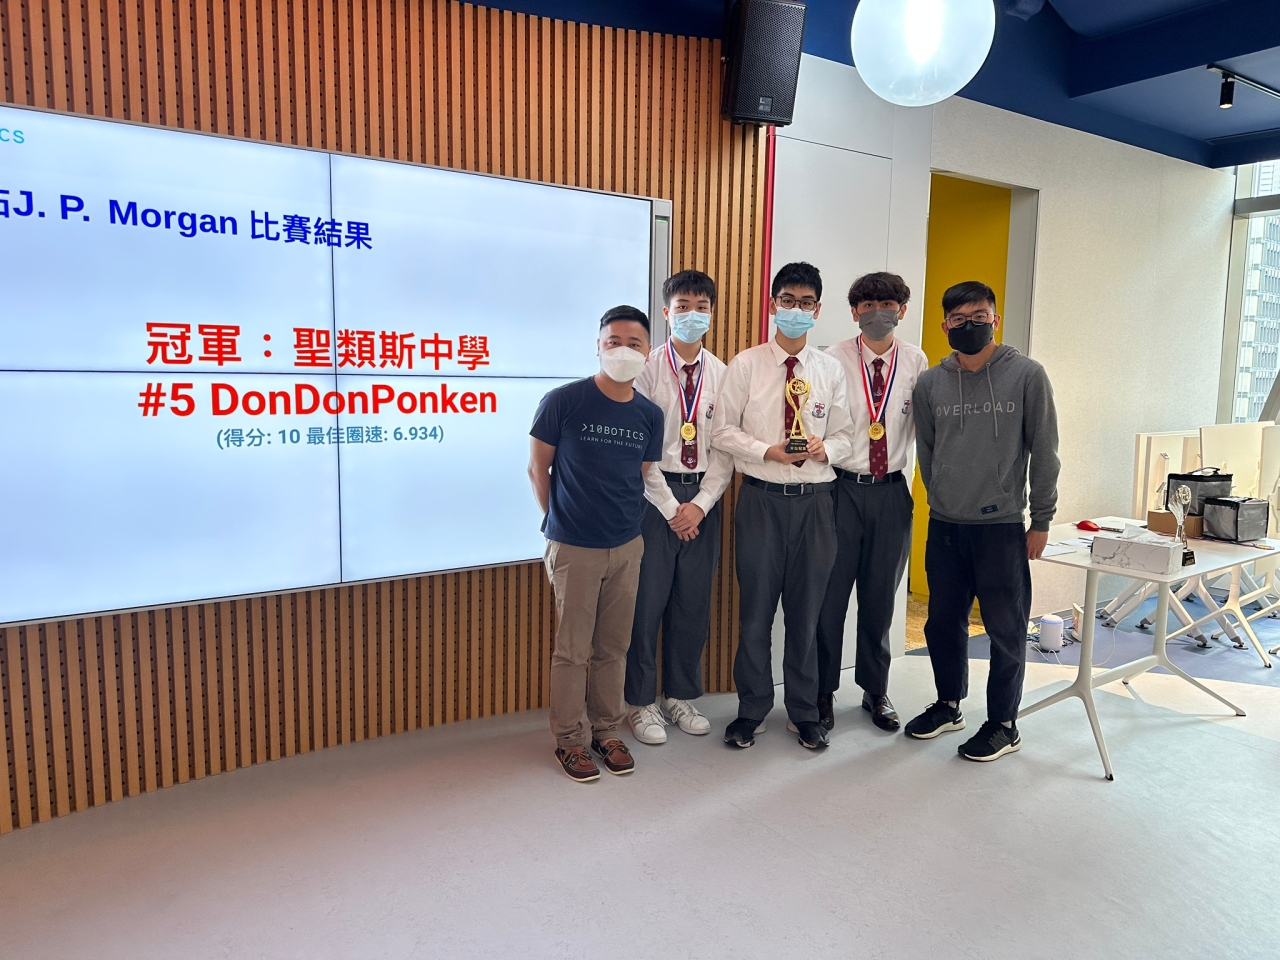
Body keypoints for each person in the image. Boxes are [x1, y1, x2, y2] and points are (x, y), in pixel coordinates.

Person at [905, 280, 1060, 762]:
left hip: (1001, 528)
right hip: (946, 526)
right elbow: (927, 452)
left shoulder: (1027, 375)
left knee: (1005, 630)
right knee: (942, 624)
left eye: (979, 317)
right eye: (959, 319)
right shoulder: (930, 383)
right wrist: (941, 498)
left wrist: (1042, 519)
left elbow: (1045, 451)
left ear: (995, 320)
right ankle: (949, 705)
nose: (969, 325)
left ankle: (1004, 724)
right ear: (944, 325)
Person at [711, 261, 856, 750]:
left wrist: (824, 448)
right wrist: (765, 451)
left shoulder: (828, 369)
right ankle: (751, 709)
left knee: (806, 614)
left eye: (806, 302)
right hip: (762, 502)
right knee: (755, 613)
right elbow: (722, 430)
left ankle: (804, 711)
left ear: (818, 309)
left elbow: (846, 435)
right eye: (788, 300)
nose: (796, 309)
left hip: (816, 505)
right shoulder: (746, 364)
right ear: (773, 304)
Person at [528, 305, 664, 783]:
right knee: (572, 649)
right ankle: (569, 739)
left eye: (634, 343)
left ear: (647, 351)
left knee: (614, 646)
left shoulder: (650, 414)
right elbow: (538, 468)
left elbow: (640, 474)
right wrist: (559, 520)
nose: (623, 351)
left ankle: (607, 730)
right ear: (598, 347)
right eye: (613, 342)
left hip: (627, 544)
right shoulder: (563, 401)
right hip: (574, 545)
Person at [815, 272, 929, 732]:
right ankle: (822, 691)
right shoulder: (832, 358)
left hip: (891, 492)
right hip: (840, 489)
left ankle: (875, 691)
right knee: (830, 599)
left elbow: (924, 428)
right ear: (854, 312)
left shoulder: (917, 361)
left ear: (902, 310)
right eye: (867, 305)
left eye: (887, 305)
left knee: (880, 599)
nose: (877, 313)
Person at [625, 271, 735, 745]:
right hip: (654, 499)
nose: (693, 315)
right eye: (683, 306)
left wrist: (701, 505)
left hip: (704, 498)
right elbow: (640, 451)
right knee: (645, 604)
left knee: (693, 603)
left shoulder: (723, 373)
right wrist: (673, 508)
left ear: (712, 314)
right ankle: (640, 701)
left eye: (702, 307)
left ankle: (679, 695)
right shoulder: (646, 369)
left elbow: (725, 448)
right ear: (667, 313)